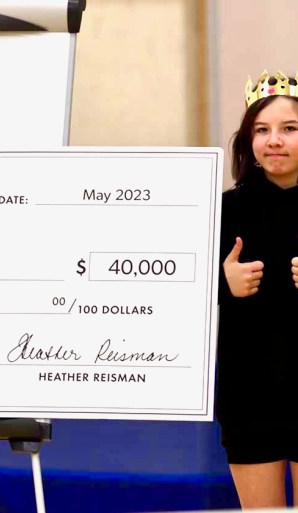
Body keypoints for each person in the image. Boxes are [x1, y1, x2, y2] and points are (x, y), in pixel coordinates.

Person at [217, 70, 298, 508]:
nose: (274, 141)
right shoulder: (225, 208)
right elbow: (180, 289)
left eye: (290, 129)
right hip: (249, 393)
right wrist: (221, 281)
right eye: (262, 130)